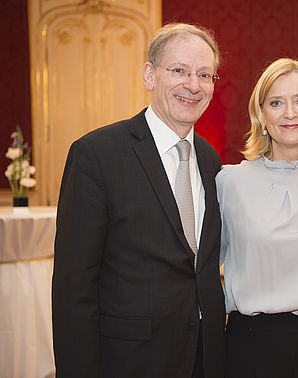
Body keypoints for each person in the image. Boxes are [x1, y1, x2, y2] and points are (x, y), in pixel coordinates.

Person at [52, 23, 225, 378]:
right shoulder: (96, 154)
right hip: (129, 360)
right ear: (150, 75)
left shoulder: (211, 161)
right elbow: (74, 286)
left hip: (203, 357)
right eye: (179, 70)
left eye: (204, 75)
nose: (193, 85)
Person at [216, 58, 298, 378]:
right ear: (261, 115)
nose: (290, 113)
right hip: (247, 348)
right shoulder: (228, 182)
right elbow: (198, 271)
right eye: (276, 103)